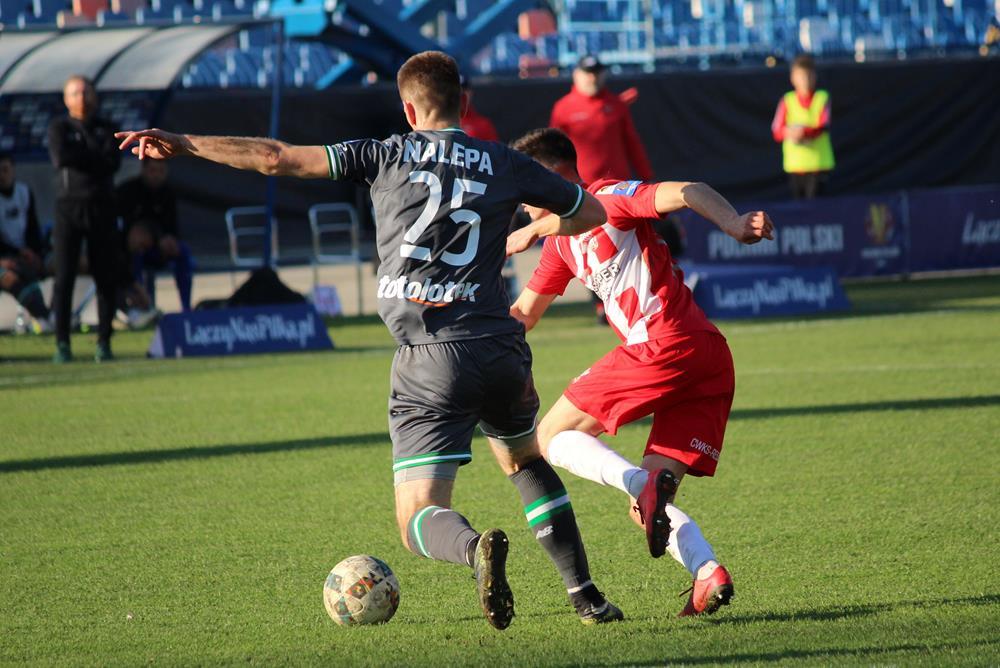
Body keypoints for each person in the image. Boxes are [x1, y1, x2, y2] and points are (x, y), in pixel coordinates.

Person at [116, 51, 623, 630]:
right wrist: (536, 228)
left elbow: (275, 157)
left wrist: (183, 143)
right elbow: (592, 212)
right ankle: (586, 597)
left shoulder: (384, 154)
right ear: (464, 103)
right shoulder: (506, 162)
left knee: (417, 515)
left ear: (408, 109)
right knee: (525, 461)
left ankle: (472, 548)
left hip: (430, 357)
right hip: (501, 347)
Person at [506, 128, 774, 617]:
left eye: (526, 191)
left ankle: (638, 482)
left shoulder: (610, 198)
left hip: (663, 345)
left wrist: (734, 223)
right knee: (645, 509)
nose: (522, 206)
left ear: (547, 178)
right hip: (705, 359)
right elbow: (523, 313)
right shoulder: (560, 246)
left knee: (548, 436)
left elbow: (688, 190)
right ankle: (706, 572)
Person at [48, 75, 122, 363]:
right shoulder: (60, 128)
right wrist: (93, 156)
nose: (81, 98)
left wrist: (83, 155)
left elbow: (112, 162)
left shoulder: (108, 128)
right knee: (64, 277)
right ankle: (62, 343)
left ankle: (104, 341)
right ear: (66, 99)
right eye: (75, 93)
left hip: (102, 208)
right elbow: (61, 159)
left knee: (106, 276)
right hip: (68, 209)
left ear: (94, 96)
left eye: (85, 92)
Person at [549, 54, 653, 185]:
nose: (593, 78)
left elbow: (632, 143)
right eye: (588, 73)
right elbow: (553, 150)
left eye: (596, 73)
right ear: (577, 75)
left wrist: (646, 176)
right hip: (582, 187)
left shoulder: (616, 104)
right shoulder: (563, 108)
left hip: (617, 185)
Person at [117, 159, 195, 312]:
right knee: (136, 253)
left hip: (159, 250)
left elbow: (172, 228)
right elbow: (126, 229)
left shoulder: (168, 193)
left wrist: (170, 240)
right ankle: (141, 307)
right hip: (132, 253)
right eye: (152, 170)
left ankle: (186, 308)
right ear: (143, 170)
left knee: (183, 252)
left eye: (161, 171)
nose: (156, 175)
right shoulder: (127, 191)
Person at [771, 54, 835, 199]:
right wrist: (789, 133)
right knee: (798, 208)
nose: (805, 80)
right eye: (801, 76)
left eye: (808, 76)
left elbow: (823, 125)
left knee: (817, 207)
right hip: (795, 166)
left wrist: (803, 132)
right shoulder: (787, 100)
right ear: (793, 78)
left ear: (814, 77)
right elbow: (777, 131)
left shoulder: (822, 97)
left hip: (818, 165)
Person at [0, 152, 51, 329]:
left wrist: (34, 252)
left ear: (13, 170)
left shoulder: (23, 193)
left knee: (60, 264)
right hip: (5, 259)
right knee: (11, 278)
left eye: (5, 170)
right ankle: (43, 316)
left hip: (22, 255)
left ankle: (51, 316)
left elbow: (33, 229)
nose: (2, 175)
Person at [459, 76, 499, 142]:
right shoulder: (440, 123)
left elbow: (494, 148)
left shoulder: (484, 125)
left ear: (470, 93)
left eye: (463, 90)